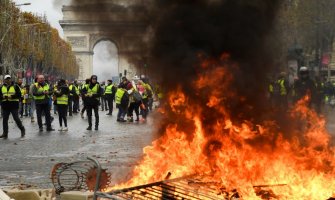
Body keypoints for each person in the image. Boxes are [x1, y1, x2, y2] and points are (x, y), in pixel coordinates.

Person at [0, 75, 25, 139]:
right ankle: (5, 133)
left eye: (9, 79)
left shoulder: (16, 86)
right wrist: (2, 97)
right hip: (5, 105)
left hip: (14, 105)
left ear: (10, 79)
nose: (8, 80)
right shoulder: (2, 87)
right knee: (5, 120)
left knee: (16, 118)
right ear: (4, 80)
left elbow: (19, 95)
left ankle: (22, 129)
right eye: (6, 79)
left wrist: (12, 97)